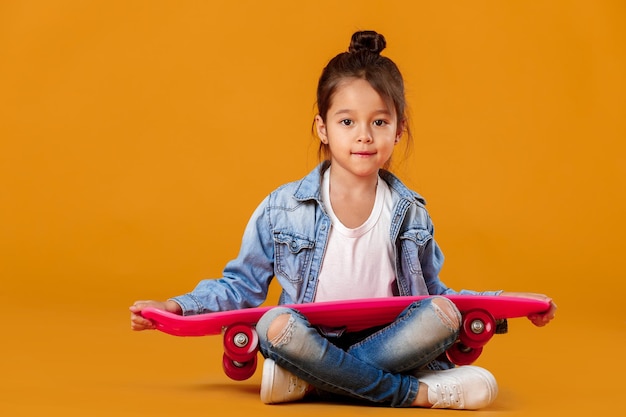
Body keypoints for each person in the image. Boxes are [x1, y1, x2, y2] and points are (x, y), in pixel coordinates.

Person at [130, 30, 556, 410]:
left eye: (379, 122)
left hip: (391, 343)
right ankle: (416, 394)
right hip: (308, 342)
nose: (364, 136)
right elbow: (241, 287)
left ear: (399, 130)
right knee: (274, 324)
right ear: (323, 128)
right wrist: (176, 307)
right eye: (347, 121)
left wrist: (512, 306)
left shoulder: (411, 212)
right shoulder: (283, 208)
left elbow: (434, 292)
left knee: (442, 312)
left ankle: (315, 383)